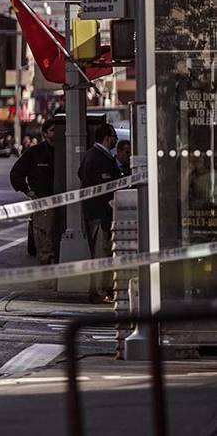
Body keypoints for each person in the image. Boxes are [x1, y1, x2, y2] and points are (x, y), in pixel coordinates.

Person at [78, 123, 123, 304]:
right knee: (100, 254)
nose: (116, 141)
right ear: (107, 137)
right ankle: (98, 292)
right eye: (114, 137)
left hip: (97, 213)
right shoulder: (98, 158)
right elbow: (104, 187)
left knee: (103, 253)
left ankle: (102, 290)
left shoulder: (95, 155)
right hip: (99, 214)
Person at [11, 118, 59, 265]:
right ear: (45, 134)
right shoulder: (35, 153)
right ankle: (47, 273)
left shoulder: (66, 151)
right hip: (43, 203)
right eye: (53, 130)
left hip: (64, 202)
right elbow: (16, 174)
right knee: (45, 240)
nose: (56, 133)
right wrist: (28, 191)